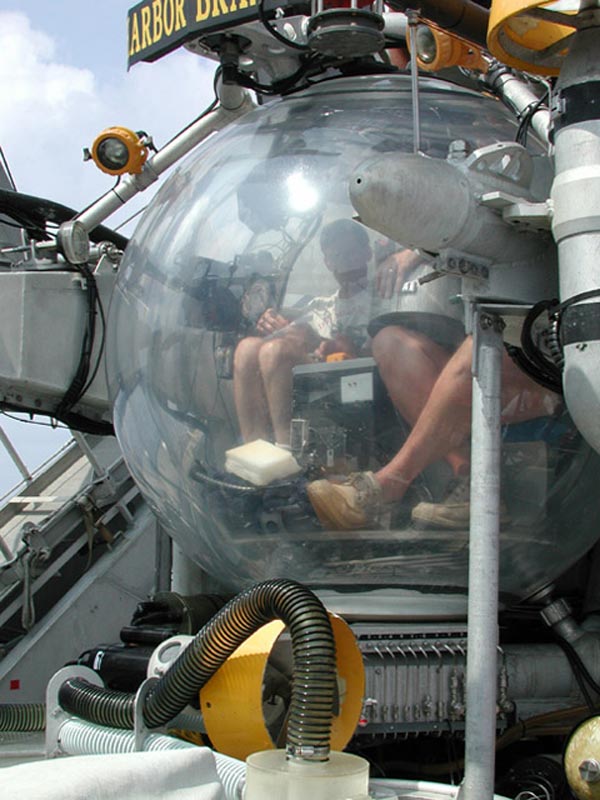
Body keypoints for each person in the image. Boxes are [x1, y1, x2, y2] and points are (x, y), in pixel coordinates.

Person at [307, 257, 562, 531]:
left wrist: (414, 253)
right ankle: (469, 477)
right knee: (391, 341)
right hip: (489, 339)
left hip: (553, 356)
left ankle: (389, 484)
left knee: (483, 345)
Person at [233, 219, 373, 446]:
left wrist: (321, 342)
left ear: (367, 252)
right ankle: (254, 451)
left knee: (275, 352)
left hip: (355, 386)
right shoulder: (319, 306)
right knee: (247, 348)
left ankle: (287, 452)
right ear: (327, 262)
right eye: (337, 257)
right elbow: (299, 338)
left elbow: (379, 354)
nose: (345, 265)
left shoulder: (383, 296)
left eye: (351, 254)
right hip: (313, 381)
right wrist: (273, 324)